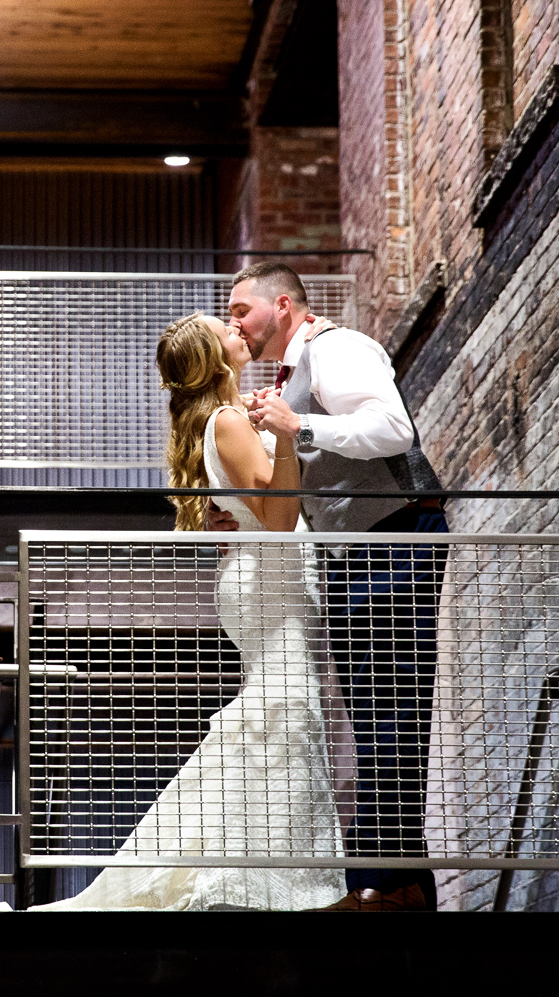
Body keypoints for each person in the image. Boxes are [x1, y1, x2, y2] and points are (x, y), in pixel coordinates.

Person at [33, 314, 348, 911]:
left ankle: (251, 867)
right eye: (225, 328)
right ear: (216, 357)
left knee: (276, 715)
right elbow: (279, 519)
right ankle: (275, 884)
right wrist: (285, 431)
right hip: (269, 582)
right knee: (288, 715)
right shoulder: (228, 421)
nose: (237, 328)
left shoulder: (224, 419)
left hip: (261, 579)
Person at [224, 262, 448, 913]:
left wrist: (300, 429)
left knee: (392, 711)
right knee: (374, 714)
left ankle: (389, 884)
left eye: (243, 309)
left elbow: (392, 429)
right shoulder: (291, 378)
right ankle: (389, 882)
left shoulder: (337, 348)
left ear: (284, 304)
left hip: (394, 538)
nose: (236, 322)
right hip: (357, 554)